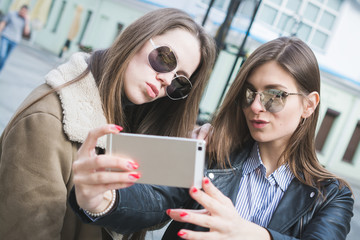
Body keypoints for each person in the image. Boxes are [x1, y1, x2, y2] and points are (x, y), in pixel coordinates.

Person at [69, 37, 354, 240]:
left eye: (274, 95)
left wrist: (252, 235)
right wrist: (101, 199)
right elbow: (155, 200)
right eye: (249, 93)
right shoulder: (213, 154)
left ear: (309, 104)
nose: (256, 105)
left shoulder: (332, 196)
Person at [0, 8, 216, 240]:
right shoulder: (47, 120)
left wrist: (186, 151)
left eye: (179, 81)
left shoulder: (135, 120)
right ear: (137, 38)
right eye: (165, 59)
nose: (166, 79)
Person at [0, 5, 30, 72]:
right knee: (1, 55)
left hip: (15, 41)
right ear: (20, 9)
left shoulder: (25, 20)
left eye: (25, 12)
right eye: (23, 10)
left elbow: (26, 32)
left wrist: (27, 21)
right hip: (6, 36)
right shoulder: (11, 14)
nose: (23, 12)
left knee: (5, 58)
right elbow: (3, 23)